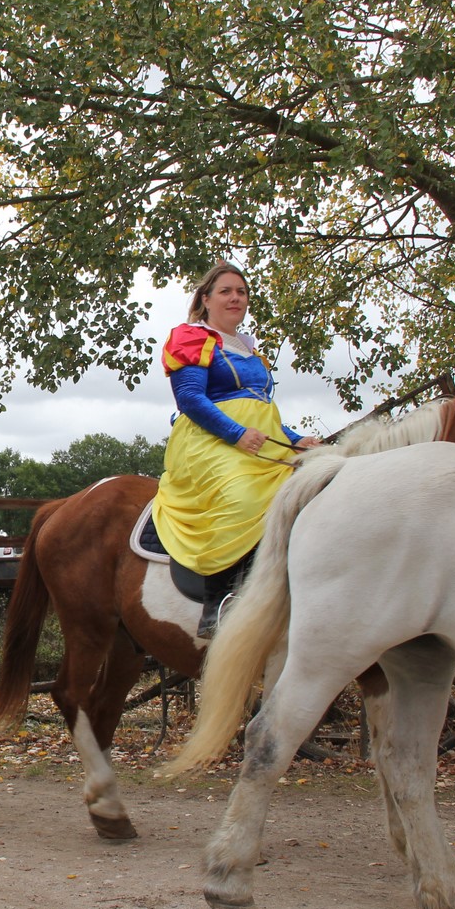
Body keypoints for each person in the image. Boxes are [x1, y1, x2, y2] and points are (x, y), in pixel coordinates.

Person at [151, 260, 323, 639]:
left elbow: (261, 409)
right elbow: (190, 398)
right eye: (225, 291)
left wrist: (295, 439)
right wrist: (235, 433)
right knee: (243, 498)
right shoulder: (192, 337)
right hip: (208, 441)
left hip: (258, 440)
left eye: (241, 292)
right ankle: (219, 602)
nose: (235, 298)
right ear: (206, 299)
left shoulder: (248, 349)